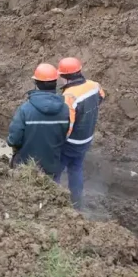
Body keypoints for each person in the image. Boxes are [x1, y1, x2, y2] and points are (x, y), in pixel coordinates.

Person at [54, 57, 105, 209]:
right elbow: (102, 97)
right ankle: (77, 203)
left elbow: (67, 125)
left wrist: (60, 141)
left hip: (71, 142)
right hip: (87, 138)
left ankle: (53, 201)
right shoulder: (94, 85)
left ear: (65, 77)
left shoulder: (69, 96)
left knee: (56, 171)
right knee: (76, 168)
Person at [6, 63, 71, 178]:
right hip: (52, 166)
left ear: (36, 84)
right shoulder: (65, 109)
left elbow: (14, 139)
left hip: (26, 167)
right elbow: (64, 135)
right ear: (55, 83)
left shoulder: (25, 109)